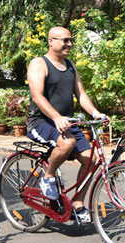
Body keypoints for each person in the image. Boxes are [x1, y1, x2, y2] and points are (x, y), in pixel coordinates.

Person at [26, 26, 105, 223]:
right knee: (67, 143)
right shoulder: (39, 64)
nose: (69, 44)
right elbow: (37, 95)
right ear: (51, 41)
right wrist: (55, 117)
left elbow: (81, 94)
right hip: (41, 121)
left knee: (92, 160)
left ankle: (78, 203)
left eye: (70, 40)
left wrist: (96, 113)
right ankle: (48, 176)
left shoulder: (70, 65)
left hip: (66, 123)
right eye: (64, 40)